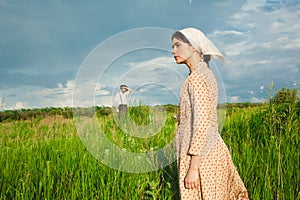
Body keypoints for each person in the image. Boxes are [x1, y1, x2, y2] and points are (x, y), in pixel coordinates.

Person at [172, 28, 249, 199]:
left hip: (202, 158)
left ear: (193, 46)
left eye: (178, 45)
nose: (173, 51)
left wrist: (193, 168)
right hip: (207, 152)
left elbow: (202, 124)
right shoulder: (202, 74)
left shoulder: (197, 78)